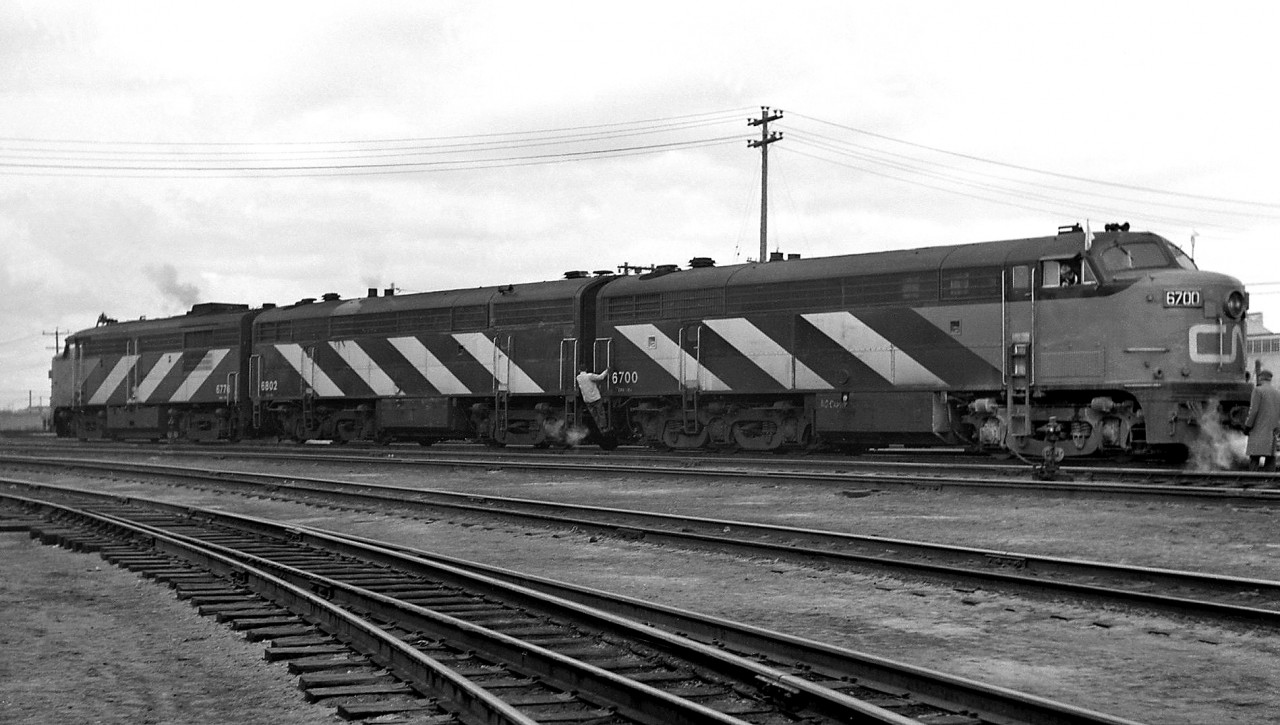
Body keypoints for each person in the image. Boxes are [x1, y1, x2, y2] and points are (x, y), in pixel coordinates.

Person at [1244, 369, 1280, 472]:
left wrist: (1247, 426)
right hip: (1272, 434)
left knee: (1254, 460)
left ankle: (1252, 484)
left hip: (1258, 432)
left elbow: (1253, 411)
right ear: (1270, 379)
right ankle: (1269, 485)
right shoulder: (1277, 393)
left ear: (1260, 378)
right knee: (1270, 462)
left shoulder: (1258, 390)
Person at [575, 364, 610, 431]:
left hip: (587, 400)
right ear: (586, 369)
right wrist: (607, 370)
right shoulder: (590, 376)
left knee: (595, 415)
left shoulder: (578, 378)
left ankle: (599, 428)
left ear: (579, 370)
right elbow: (601, 377)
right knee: (601, 413)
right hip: (596, 398)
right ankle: (604, 428)